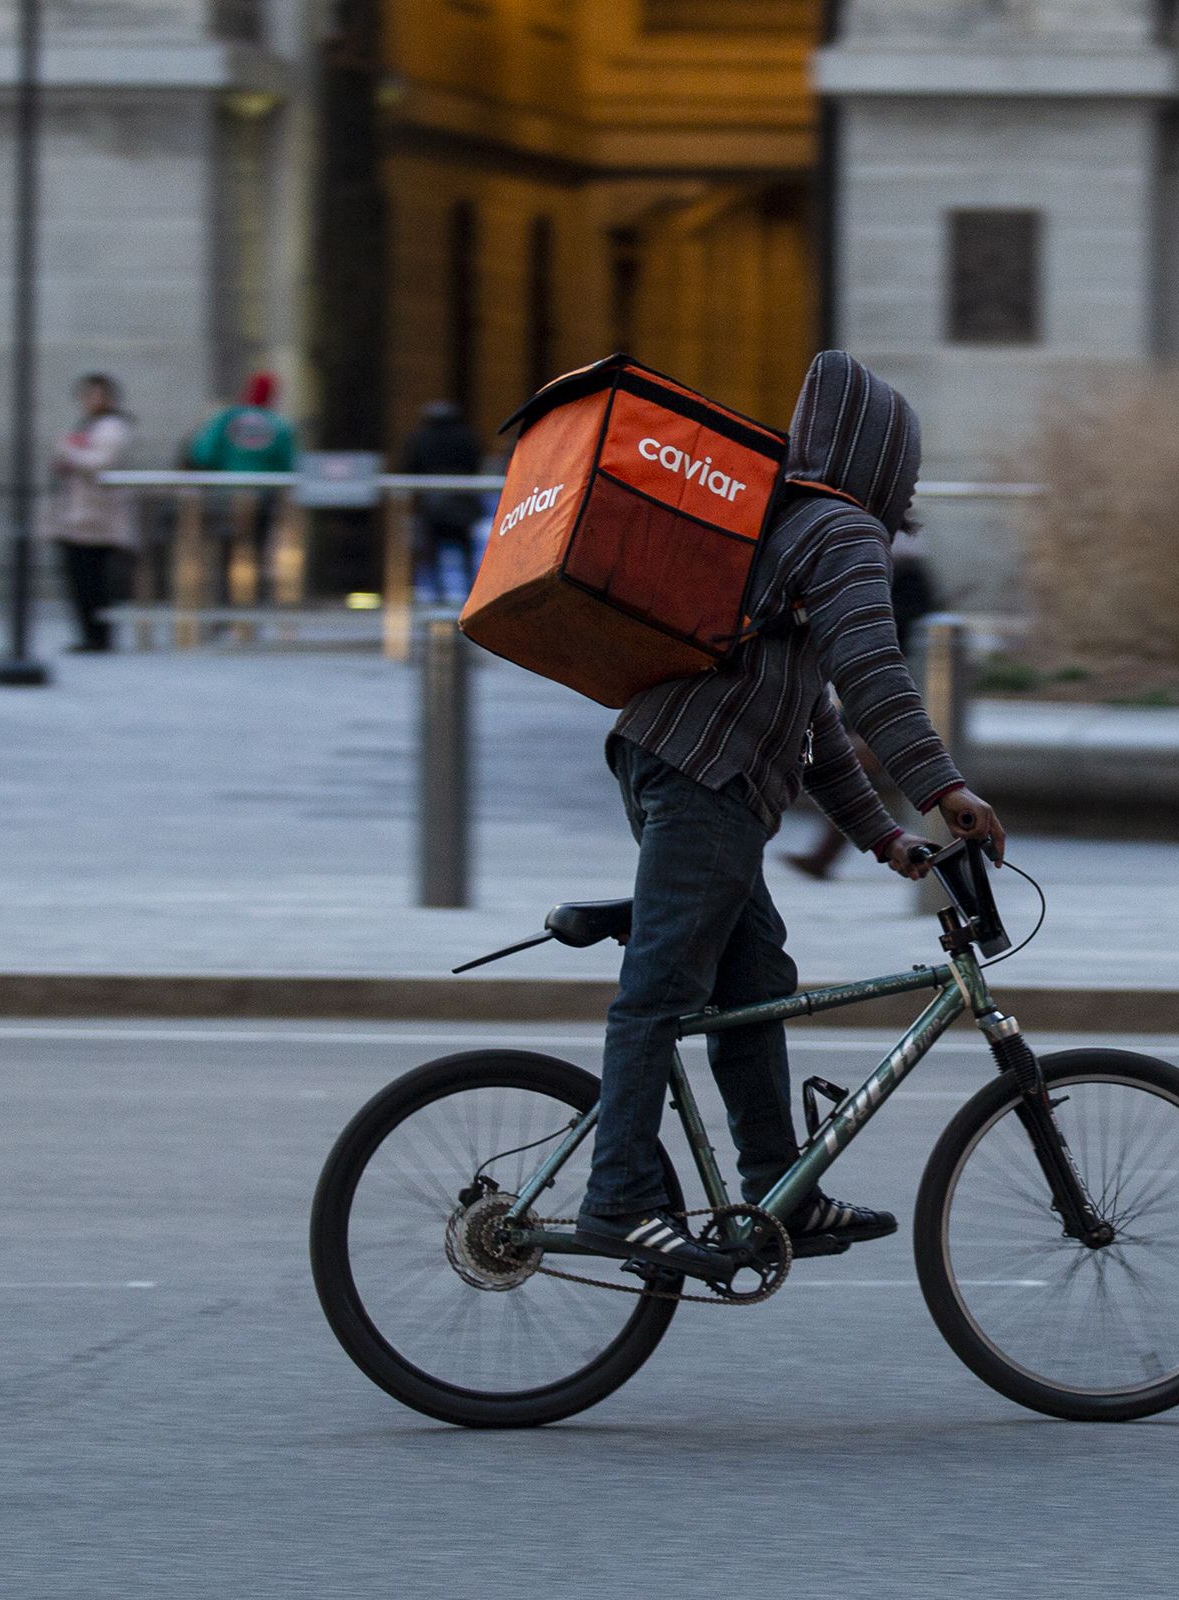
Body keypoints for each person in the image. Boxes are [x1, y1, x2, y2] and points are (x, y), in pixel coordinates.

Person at [573, 351, 1008, 1281]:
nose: (911, 488)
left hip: (684, 769)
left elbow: (815, 721)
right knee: (660, 991)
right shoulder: (843, 532)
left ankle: (783, 1191)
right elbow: (873, 674)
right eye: (910, 468)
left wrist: (887, 836)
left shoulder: (791, 526)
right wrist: (943, 788)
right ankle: (619, 1199)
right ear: (883, 461)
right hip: (701, 777)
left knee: (754, 982)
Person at [783, 521, 940, 881]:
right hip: (875, 691)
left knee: (854, 763)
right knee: (850, 763)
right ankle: (832, 855)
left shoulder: (894, 577)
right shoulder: (887, 570)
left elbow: (881, 648)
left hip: (886, 692)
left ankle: (829, 856)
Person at [186, 371, 297, 603]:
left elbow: (202, 453)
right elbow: (289, 465)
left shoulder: (228, 418)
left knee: (226, 553)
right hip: (262, 500)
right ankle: (248, 606)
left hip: (226, 497)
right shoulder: (279, 426)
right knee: (255, 552)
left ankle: (225, 606)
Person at [50, 373, 136, 653]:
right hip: (79, 514)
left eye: (96, 394)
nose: (90, 401)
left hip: (97, 516)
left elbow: (100, 461)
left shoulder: (112, 426)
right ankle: (90, 635)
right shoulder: (90, 425)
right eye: (87, 395)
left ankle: (98, 636)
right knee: (81, 580)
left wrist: (68, 452)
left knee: (94, 580)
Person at [399, 399, 484, 603]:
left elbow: (410, 467)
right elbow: (475, 463)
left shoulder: (420, 437)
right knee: (465, 552)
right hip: (463, 501)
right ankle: (474, 597)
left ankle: (437, 598)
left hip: (432, 504)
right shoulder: (466, 436)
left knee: (431, 554)